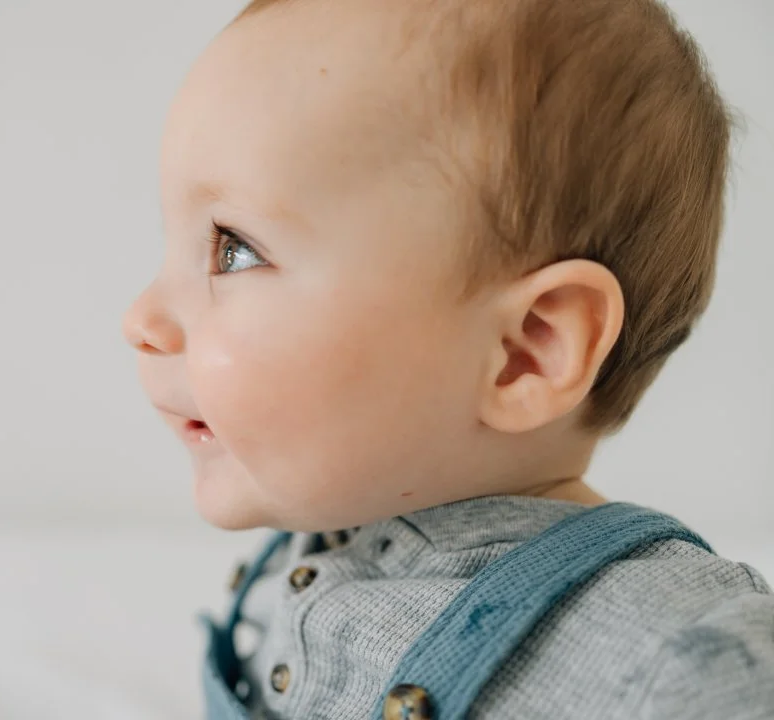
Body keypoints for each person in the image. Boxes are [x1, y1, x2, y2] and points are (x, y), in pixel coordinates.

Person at [123, 0, 774, 717]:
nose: (141, 320)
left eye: (233, 250)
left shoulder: (685, 659)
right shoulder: (333, 528)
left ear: (525, 351)